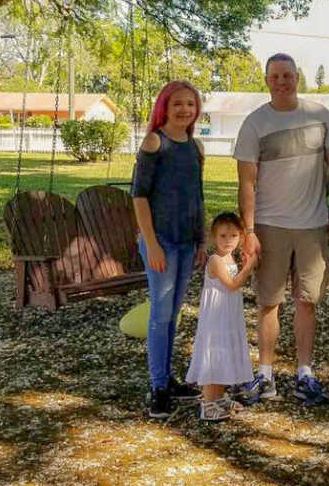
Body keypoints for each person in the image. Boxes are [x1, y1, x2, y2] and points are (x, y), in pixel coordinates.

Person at [234, 53, 329, 406]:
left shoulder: (320, 116)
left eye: (288, 75)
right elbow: (246, 183)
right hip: (269, 225)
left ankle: (305, 373)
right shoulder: (254, 124)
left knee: (307, 301)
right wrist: (248, 230)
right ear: (266, 80)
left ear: (298, 77)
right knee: (269, 302)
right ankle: (264, 374)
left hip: (312, 226)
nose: (282, 82)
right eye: (275, 76)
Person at [131, 80, 206, 419]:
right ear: (165, 106)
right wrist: (151, 243)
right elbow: (139, 197)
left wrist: (201, 240)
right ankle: (157, 386)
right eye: (177, 103)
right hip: (160, 241)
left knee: (174, 314)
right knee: (160, 316)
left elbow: (196, 197)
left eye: (190, 104)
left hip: (186, 241)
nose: (184, 110)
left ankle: (169, 378)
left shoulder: (194, 146)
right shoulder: (154, 142)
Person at [186, 213, 257, 421]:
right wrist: (248, 268)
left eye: (233, 236)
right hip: (216, 316)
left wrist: (243, 265)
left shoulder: (230, 257)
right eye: (223, 236)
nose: (228, 241)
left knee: (224, 350)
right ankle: (207, 403)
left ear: (241, 237)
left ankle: (218, 396)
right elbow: (232, 284)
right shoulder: (215, 260)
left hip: (228, 315)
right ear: (214, 237)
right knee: (213, 350)